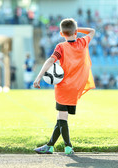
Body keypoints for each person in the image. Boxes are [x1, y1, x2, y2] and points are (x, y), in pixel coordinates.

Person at [33, 18, 95, 155]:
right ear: (76, 32)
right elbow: (92, 31)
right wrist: (77, 29)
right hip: (76, 87)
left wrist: (38, 77)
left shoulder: (61, 47)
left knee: (62, 118)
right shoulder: (83, 42)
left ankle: (68, 147)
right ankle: (50, 146)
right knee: (60, 118)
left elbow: (50, 60)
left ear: (61, 34)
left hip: (63, 88)